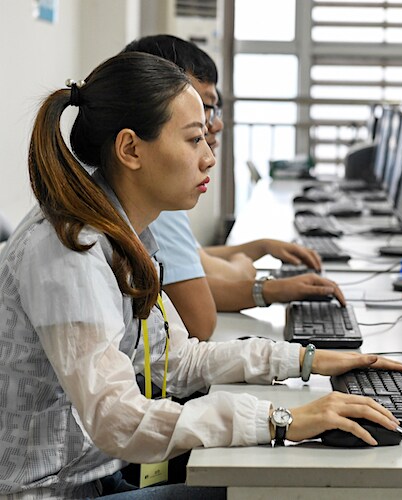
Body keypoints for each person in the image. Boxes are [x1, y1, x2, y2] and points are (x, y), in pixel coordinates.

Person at [0, 51, 402, 499]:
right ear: (130, 149)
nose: (209, 157)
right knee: (279, 491)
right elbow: (116, 418)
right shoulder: (69, 251)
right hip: (56, 491)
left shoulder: (122, 230)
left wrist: (303, 360)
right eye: (194, 140)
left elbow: (174, 361)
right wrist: (279, 420)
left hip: (94, 475)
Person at [122, 35, 342, 341]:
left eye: (209, 111)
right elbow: (200, 318)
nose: (215, 125)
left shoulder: (140, 199)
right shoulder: (148, 200)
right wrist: (258, 280)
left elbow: (197, 263)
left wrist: (260, 250)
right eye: (201, 109)